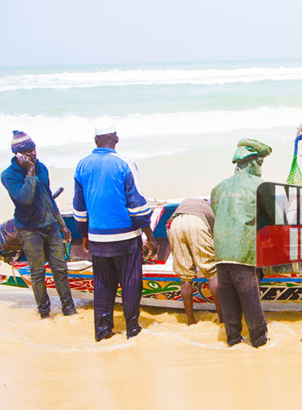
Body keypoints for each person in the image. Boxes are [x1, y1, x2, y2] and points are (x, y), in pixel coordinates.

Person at [73, 125, 158, 341]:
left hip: (97, 237)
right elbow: (137, 205)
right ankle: (132, 329)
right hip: (126, 238)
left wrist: (84, 234)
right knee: (130, 282)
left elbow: (79, 208)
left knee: (102, 285)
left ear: (95, 141)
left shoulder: (82, 165)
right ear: (116, 139)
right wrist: (149, 234)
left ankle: (103, 332)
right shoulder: (124, 163)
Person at [2, 130, 77, 318]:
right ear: (18, 155)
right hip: (29, 230)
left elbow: (49, 198)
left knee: (60, 269)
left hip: (51, 226)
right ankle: (44, 313)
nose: (33, 154)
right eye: (28, 152)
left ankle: (69, 310)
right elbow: (25, 198)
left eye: (34, 149)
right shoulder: (8, 175)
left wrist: (62, 224)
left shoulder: (41, 167)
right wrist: (30, 171)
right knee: (38, 272)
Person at [211, 138, 271, 348]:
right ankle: (260, 341)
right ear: (252, 161)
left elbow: (218, 214)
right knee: (250, 297)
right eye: (260, 162)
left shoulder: (218, 188)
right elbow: (271, 217)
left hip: (221, 251)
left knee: (228, 297)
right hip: (243, 250)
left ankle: (233, 339)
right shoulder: (259, 185)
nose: (260, 167)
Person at [166, 197, 222, 325]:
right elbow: (215, 238)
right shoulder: (211, 210)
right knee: (212, 272)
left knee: (185, 277)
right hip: (197, 222)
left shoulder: (187, 202)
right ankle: (223, 320)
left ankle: (190, 320)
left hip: (175, 224)